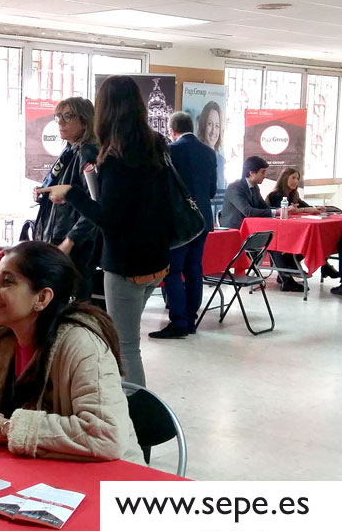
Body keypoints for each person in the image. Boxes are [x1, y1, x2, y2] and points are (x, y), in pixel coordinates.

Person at [0, 241, 143, 464]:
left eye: (7, 281)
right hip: (39, 475)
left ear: (42, 298)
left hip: (108, 483)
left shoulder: (82, 346)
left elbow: (106, 435)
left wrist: (9, 428)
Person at [52, 75, 173, 388]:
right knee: (127, 341)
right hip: (157, 257)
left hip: (127, 263)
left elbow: (109, 218)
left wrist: (71, 193)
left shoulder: (115, 157)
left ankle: (134, 419)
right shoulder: (155, 146)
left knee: (126, 346)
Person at [149, 112, 216, 339]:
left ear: (172, 130)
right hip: (203, 220)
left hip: (178, 222)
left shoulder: (170, 151)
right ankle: (190, 320)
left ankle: (178, 322)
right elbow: (212, 191)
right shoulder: (209, 152)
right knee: (194, 270)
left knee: (174, 272)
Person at [32, 96, 100, 300]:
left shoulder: (87, 152)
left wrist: (70, 241)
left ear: (85, 121)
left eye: (67, 117)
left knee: (72, 301)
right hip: (57, 235)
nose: (60, 122)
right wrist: (44, 192)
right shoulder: (71, 150)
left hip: (72, 244)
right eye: (58, 116)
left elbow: (93, 204)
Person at [222, 156, 310, 292]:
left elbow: (264, 207)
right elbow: (248, 211)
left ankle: (286, 275)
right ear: (251, 172)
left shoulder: (255, 188)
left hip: (252, 228)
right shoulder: (235, 187)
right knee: (272, 239)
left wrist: (280, 211)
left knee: (274, 237)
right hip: (235, 230)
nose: (265, 175)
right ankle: (286, 276)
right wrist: (277, 212)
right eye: (263, 172)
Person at [264, 167, 341, 283]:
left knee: (318, 238)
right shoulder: (275, 195)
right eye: (293, 178)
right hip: (280, 235)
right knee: (309, 240)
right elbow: (284, 211)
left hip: (293, 232)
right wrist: (306, 210)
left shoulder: (294, 195)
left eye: (298, 178)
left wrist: (316, 209)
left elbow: (307, 207)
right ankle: (322, 266)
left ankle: (324, 265)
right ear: (285, 178)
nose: (296, 181)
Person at [197, 100, 227, 218]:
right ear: (203, 125)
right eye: (209, 124)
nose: (213, 131)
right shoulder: (196, 157)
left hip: (217, 219)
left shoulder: (220, 160)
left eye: (217, 125)